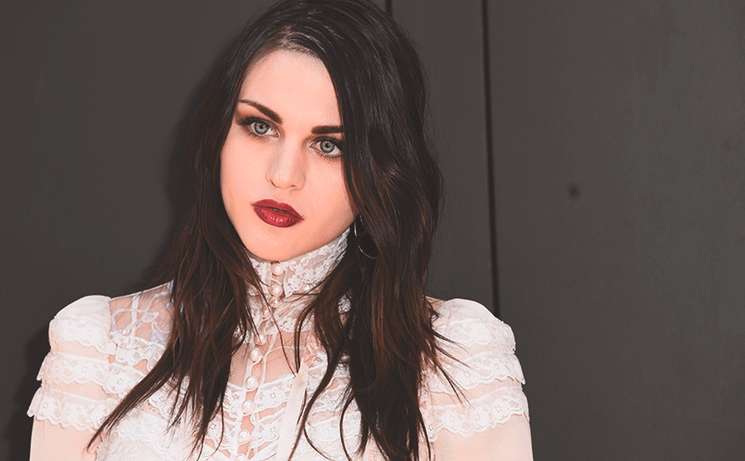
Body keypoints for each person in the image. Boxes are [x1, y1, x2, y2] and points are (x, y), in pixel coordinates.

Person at [27, 0, 532, 459]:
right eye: (261, 126)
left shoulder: (457, 361)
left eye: (329, 145)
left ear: (381, 171)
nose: (284, 175)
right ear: (219, 134)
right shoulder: (99, 348)